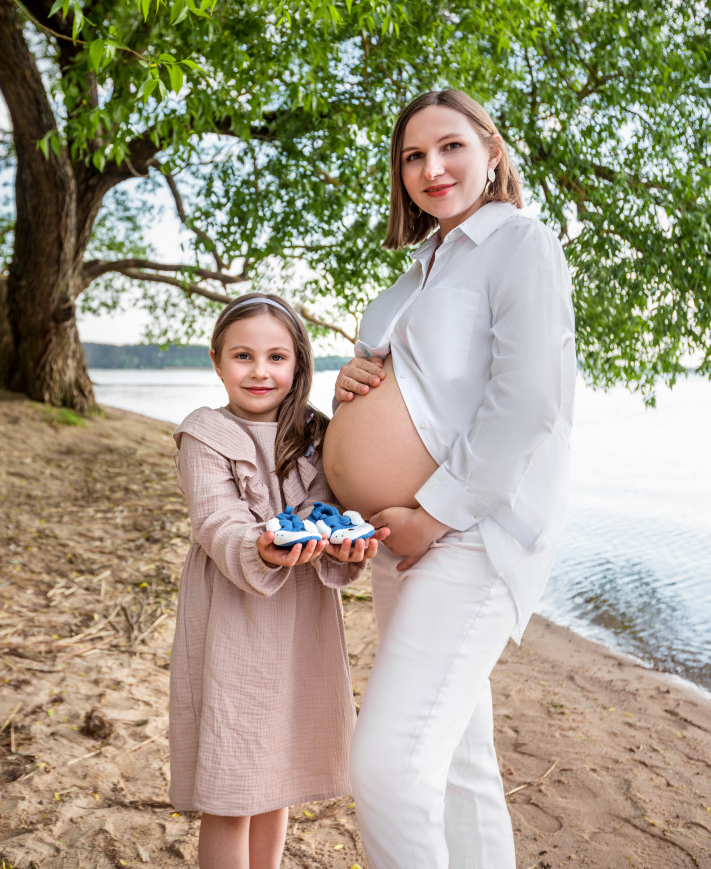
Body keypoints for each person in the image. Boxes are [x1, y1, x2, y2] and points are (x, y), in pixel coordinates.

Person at [323, 89, 576, 869]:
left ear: (492, 151)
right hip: (405, 543)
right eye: (412, 156)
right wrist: (353, 381)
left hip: (465, 535)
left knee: (386, 764)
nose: (431, 168)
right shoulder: (421, 269)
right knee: (463, 768)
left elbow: (529, 401)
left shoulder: (520, 243)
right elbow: (423, 387)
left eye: (450, 147)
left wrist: (433, 512)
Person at [168, 293, 388, 869]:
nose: (260, 372)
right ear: (217, 361)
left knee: (275, 772)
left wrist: (347, 541)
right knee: (233, 784)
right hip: (232, 624)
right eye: (243, 356)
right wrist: (260, 547)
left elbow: (330, 511)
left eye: (276, 357)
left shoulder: (319, 434)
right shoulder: (204, 436)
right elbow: (215, 522)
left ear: (299, 364)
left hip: (300, 625)